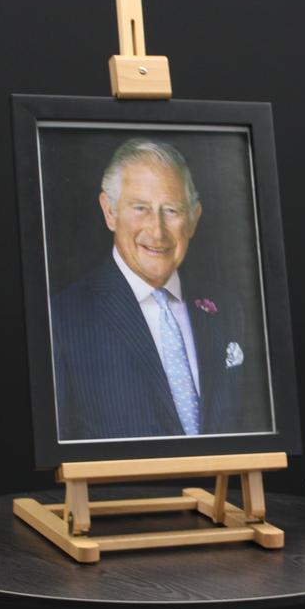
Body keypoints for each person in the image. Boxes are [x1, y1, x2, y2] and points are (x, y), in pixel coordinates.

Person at [51, 138, 259, 440]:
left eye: (171, 210)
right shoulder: (62, 318)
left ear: (193, 218)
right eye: (140, 208)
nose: (157, 230)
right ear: (109, 212)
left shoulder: (229, 310)